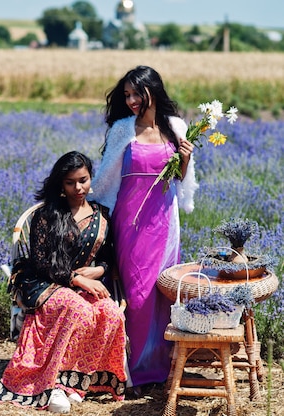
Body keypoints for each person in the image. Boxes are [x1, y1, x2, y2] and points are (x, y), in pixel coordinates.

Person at [0, 151, 127, 413]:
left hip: (81, 285)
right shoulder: (48, 214)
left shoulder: (102, 216)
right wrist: (76, 278)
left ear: (91, 177)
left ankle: (77, 381)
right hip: (43, 283)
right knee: (78, 308)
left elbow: (108, 259)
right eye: (70, 182)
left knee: (110, 313)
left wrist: (98, 272)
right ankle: (53, 384)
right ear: (60, 184)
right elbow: (41, 263)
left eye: (83, 180)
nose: (79, 188)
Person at [91, 65, 198, 392]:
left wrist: (186, 158)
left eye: (137, 93)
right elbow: (107, 178)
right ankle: (132, 371)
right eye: (126, 95)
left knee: (163, 292)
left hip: (164, 220)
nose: (132, 100)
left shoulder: (177, 127)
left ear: (154, 91)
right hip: (131, 220)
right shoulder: (123, 129)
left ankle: (163, 369)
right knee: (136, 296)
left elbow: (181, 180)